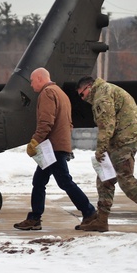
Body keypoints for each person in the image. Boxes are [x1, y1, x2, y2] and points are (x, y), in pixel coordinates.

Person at [75, 76, 137, 234]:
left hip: (123, 140)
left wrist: (101, 148)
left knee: (125, 179)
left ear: (88, 87)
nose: (82, 99)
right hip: (121, 139)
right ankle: (102, 221)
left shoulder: (101, 95)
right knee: (105, 179)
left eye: (81, 94)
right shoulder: (106, 90)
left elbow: (107, 124)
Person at [14, 67, 96, 231]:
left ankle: (90, 213)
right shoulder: (60, 93)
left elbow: (46, 122)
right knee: (39, 181)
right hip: (56, 146)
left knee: (64, 182)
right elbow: (69, 123)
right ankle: (35, 218)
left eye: (31, 81)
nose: (31, 85)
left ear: (39, 78)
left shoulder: (47, 93)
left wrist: (35, 142)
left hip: (52, 148)